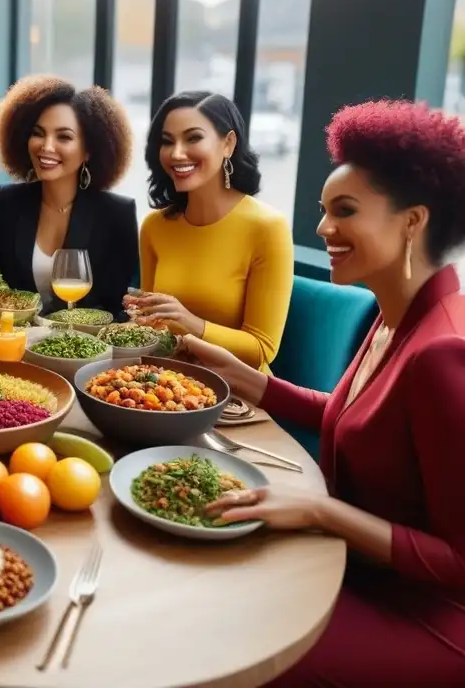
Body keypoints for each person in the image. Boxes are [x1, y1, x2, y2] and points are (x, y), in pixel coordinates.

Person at [183, 100, 465, 685]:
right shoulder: (394, 317)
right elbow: (352, 415)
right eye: (323, 210)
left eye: (345, 211)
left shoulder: (443, 351)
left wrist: (320, 510)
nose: (322, 229)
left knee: (220, 638)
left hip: (427, 618)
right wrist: (246, 379)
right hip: (352, 567)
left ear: (413, 221)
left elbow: (460, 560)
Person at [132, 91, 293, 371]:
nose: (177, 153)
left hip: (237, 395)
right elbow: (151, 325)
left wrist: (189, 322)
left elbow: (262, 350)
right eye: (167, 141)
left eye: (193, 138)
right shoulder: (155, 226)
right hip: (162, 381)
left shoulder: (267, 228)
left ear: (228, 143)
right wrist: (139, 317)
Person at [0, 75, 137, 317]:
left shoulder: (117, 214)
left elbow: (119, 308)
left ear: (88, 150)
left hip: (87, 349)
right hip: (15, 346)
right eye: (38, 133)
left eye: (63, 137)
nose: (46, 146)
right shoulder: (6, 202)